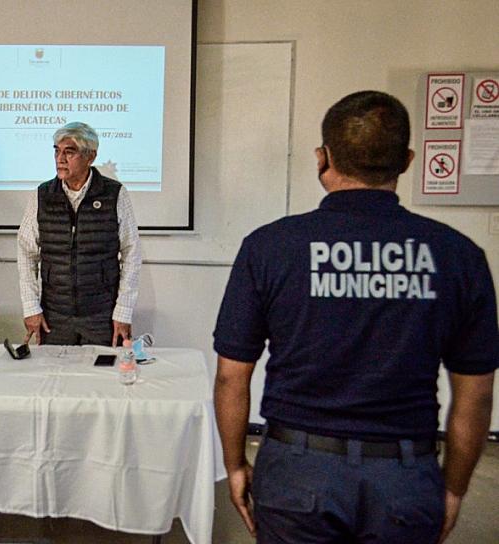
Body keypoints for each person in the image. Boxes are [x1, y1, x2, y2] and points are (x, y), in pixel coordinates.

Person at [213, 91, 497, 544]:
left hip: (296, 473)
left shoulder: (269, 247)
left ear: (322, 158)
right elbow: (477, 395)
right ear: (406, 161)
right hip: (404, 476)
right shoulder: (458, 256)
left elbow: (231, 376)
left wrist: (234, 465)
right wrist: (455, 489)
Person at [17, 121, 142, 347]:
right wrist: (31, 307)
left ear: (90, 156)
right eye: (57, 151)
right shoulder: (42, 195)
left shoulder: (114, 194)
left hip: (101, 315)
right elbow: (26, 253)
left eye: (69, 152)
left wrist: (123, 311)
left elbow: (132, 252)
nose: (60, 158)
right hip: (54, 316)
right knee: (54, 377)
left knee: (102, 378)